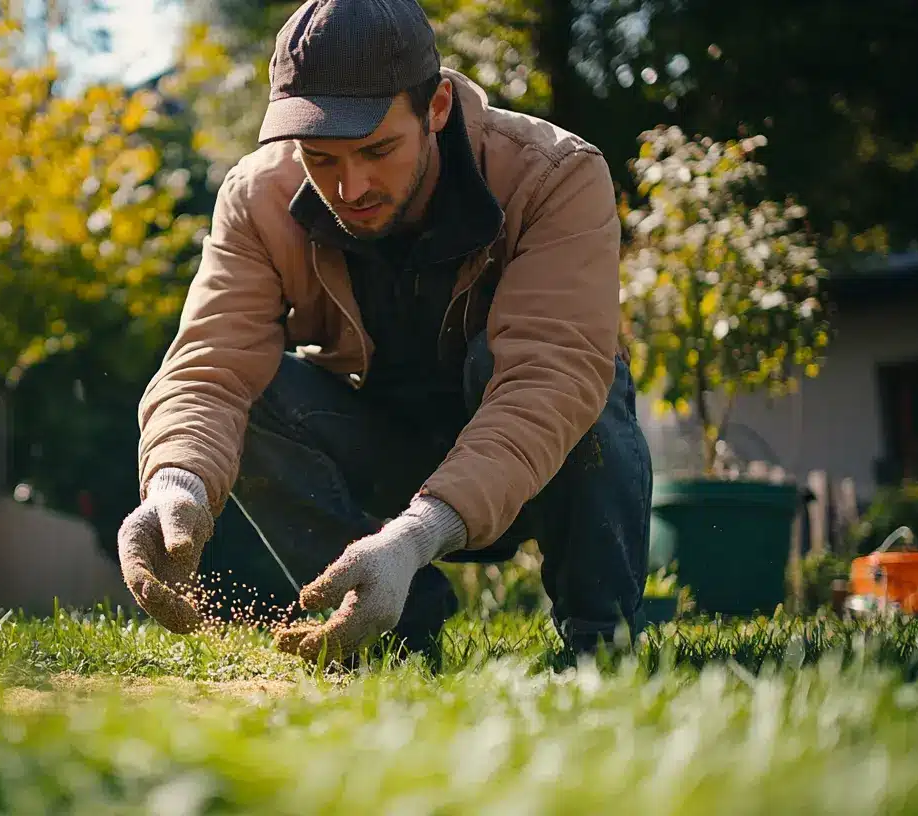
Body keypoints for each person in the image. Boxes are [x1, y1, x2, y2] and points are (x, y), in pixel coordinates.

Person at [117, 0, 653, 669]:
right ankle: (383, 632)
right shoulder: (255, 199)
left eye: (377, 149)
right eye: (321, 156)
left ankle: (602, 643)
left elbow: (550, 379)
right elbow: (211, 367)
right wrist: (176, 482)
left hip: (530, 460)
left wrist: (416, 535)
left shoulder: (556, 175)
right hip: (382, 453)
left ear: (437, 107)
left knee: (586, 378)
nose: (352, 185)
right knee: (255, 392)